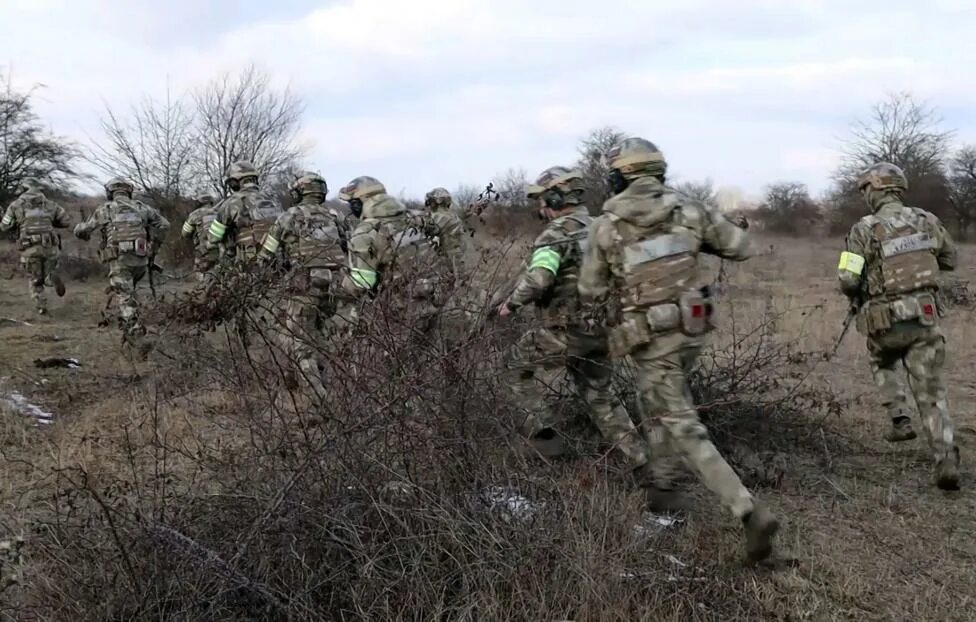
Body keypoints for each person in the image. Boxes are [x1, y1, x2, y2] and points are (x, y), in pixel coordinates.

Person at [577, 137, 778, 562]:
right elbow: (741, 247)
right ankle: (663, 488)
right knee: (653, 400)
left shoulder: (606, 224)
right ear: (659, 172)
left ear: (619, 177)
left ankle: (749, 511)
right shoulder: (690, 210)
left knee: (681, 423)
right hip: (692, 329)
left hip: (652, 338)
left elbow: (590, 290)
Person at [494, 165, 649, 471]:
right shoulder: (604, 228)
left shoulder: (555, 234)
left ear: (554, 198)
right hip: (604, 331)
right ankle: (642, 463)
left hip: (565, 330)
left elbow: (539, 279)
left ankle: (547, 444)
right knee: (600, 397)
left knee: (511, 369)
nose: (540, 208)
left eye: (542, 200)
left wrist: (509, 306)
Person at [837, 162, 959, 490]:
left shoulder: (863, 228)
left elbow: (847, 280)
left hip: (885, 321)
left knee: (880, 360)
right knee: (931, 390)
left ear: (876, 189)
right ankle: (946, 458)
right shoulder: (928, 220)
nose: (864, 196)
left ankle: (899, 417)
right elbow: (950, 260)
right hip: (924, 316)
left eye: (866, 189)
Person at [261, 171, 351, 394]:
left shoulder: (288, 217)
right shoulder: (336, 216)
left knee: (299, 340)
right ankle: (328, 385)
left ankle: (317, 398)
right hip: (335, 288)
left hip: (303, 287)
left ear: (299, 192)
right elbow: (348, 249)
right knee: (322, 335)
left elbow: (266, 254)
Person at [74, 177, 169, 352]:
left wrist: (79, 229)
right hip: (141, 259)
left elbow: (84, 230)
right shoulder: (142, 208)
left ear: (110, 192)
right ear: (129, 191)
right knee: (135, 293)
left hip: (119, 260)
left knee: (125, 297)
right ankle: (140, 326)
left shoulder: (106, 209)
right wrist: (153, 246)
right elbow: (164, 225)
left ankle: (136, 335)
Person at [0, 178, 70, 315]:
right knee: (48, 273)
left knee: (35, 280)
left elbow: (4, 226)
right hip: (50, 247)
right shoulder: (51, 204)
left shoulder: (15, 205)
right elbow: (66, 221)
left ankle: (41, 307)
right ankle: (50, 278)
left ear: (24, 189)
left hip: (30, 249)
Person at [206, 161, 283, 265]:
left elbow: (213, 238)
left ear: (234, 183)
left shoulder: (232, 203)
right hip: (278, 263)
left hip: (250, 265)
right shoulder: (273, 200)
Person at [424, 187, 469, 276]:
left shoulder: (436, 217)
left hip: (442, 263)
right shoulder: (455, 217)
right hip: (458, 261)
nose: (429, 204)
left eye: (431, 201)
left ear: (436, 201)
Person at [180, 193, 220, 283]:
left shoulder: (195, 214)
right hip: (221, 250)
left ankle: (205, 292)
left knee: (201, 274)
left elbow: (185, 233)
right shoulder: (220, 212)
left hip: (203, 251)